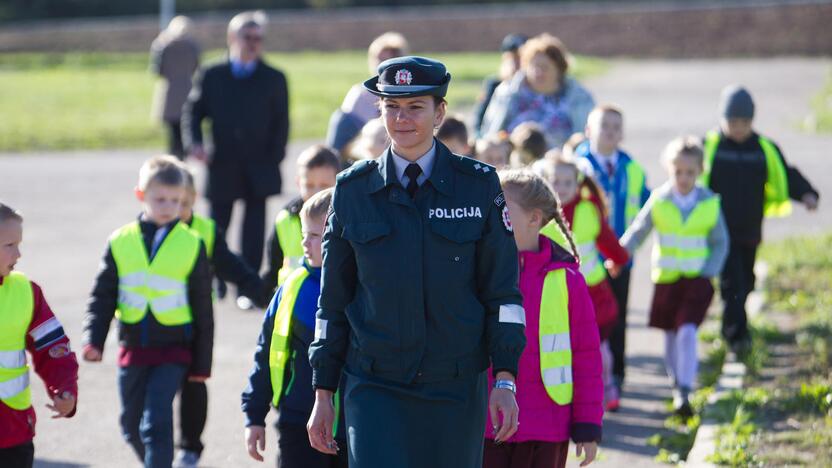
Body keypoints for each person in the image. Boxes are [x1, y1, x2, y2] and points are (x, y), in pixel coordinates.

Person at [307, 56, 526, 468]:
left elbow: (503, 293)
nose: (401, 119)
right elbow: (332, 302)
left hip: (455, 385)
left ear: (440, 112)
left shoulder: (477, 187)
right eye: (391, 107)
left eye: (414, 107)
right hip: (374, 384)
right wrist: (322, 391)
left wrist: (506, 377)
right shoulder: (353, 190)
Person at [82, 156, 214, 468]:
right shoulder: (120, 241)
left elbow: (203, 308)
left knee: (156, 422)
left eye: (175, 200)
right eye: (160, 199)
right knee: (130, 425)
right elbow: (102, 296)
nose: (168, 206)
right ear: (141, 196)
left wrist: (201, 363)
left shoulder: (192, 243)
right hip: (133, 348)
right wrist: (94, 339)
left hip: (174, 350)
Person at [484, 170, 602, 468]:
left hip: (548, 427)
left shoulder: (568, 280)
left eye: (503, 211)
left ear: (534, 219)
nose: (492, 218)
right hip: (487, 424)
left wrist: (587, 425)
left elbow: (586, 356)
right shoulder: (478, 273)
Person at [182, 10, 290, 310]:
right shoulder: (212, 74)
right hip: (223, 163)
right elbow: (193, 112)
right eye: (247, 37)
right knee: (217, 226)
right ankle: (213, 278)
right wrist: (196, 145)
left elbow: (282, 123)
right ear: (232, 38)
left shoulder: (274, 77)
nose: (253, 43)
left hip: (259, 165)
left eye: (259, 38)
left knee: (254, 230)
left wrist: (275, 157)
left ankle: (248, 285)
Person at [701, 85, 819, 353]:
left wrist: (807, 193)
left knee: (747, 282)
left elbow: (786, 174)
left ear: (752, 121)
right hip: (720, 232)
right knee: (733, 284)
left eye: (744, 122)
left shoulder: (763, 149)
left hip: (751, 230)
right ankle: (737, 338)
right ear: (722, 119)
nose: (738, 128)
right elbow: (688, 175)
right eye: (732, 122)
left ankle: (732, 326)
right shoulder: (710, 148)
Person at [620, 137, 729, 415]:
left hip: (697, 280)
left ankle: (685, 388)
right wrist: (619, 255)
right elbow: (639, 230)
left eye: (689, 172)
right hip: (667, 279)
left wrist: (710, 271)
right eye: (677, 171)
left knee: (687, 332)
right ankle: (675, 382)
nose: (683, 178)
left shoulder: (709, 203)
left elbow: (720, 242)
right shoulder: (660, 200)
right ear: (669, 170)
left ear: (699, 171)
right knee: (670, 335)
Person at [242, 188, 348, 468]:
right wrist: (254, 415)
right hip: (296, 419)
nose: (304, 243)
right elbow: (266, 352)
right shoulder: (292, 286)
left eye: (315, 236)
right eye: (304, 234)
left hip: (351, 425)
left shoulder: (363, 289)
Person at [174, 164, 267, 468]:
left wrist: (266, 295)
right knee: (153, 393)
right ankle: (156, 445)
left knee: (194, 383)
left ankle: (189, 447)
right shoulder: (136, 236)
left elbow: (234, 269)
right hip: (149, 331)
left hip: (194, 327)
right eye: (166, 201)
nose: (176, 210)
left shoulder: (205, 231)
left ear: (194, 198)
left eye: (183, 203)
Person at [536, 154, 630, 411]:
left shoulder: (589, 210)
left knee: (598, 345)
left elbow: (606, 239)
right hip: (557, 295)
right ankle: (575, 395)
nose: (561, 188)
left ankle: (608, 384)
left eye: (567, 182)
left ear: (578, 184)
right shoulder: (540, 214)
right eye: (555, 181)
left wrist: (619, 258)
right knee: (566, 349)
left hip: (592, 292)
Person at [574, 104, 650, 402]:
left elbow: (645, 212)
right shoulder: (575, 167)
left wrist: (627, 250)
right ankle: (586, 379)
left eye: (616, 127)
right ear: (588, 131)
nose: (610, 132)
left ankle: (616, 376)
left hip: (620, 259)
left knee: (616, 317)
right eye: (603, 126)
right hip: (585, 261)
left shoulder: (632, 169)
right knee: (584, 319)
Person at [0, 203, 79, 468]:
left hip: (12, 431)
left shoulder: (26, 292)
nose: (18, 253)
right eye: (9, 245)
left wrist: (64, 388)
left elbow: (53, 347)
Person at [481, 33, 595, 150]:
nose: (539, 72)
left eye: (545, 67)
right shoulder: (507, 92)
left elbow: (588, 139)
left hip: (562, 163)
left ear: (560, 69)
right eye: (534, 67)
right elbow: (490, 133)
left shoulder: (579, 97)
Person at [263, 145, 340, 296]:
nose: (317, 192)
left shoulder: (346, 219)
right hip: (291, 300)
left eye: (324, 186)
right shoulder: (284, 219)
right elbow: (273, 267)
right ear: (298, 182)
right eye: (309, 185)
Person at [325, 32, 409, 155]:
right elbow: (342, 140)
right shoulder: (360, 92)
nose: (379, 66)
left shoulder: (409, 94)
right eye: (378, 59)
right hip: (362, 152)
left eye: (386, 61)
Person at [150, 16, 200, 159]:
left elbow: (156, 70)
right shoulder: (193, 46)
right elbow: (196, 67)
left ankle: (174, 160)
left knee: (173, 134)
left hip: (169, 90)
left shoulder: (163, 45)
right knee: (185, 129)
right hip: (187, 89)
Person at [472, 34, 527, 137]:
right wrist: (479, 136)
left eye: (521, 58)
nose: (517, 63)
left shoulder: (533, 87)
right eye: (512, 58)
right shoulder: (495, 84)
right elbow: (480, 117)